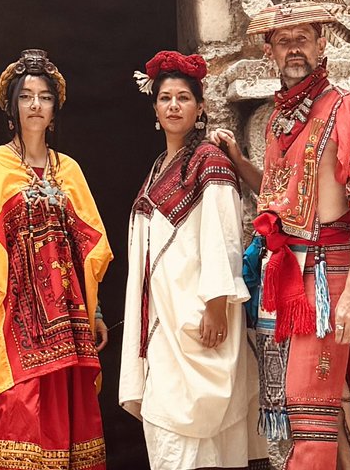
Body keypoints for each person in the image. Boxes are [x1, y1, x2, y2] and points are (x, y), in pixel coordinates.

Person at [212, 0, 350, 469]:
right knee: (331, 407)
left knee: (309, 410)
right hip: (287, 276)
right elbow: (282, 196)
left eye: (303, 38)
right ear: (269, 52)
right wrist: (238, 162)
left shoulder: (348, 109)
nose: (293, 48)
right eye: (283, 41)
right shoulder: (280, 120)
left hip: (327, 276)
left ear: (322, 45)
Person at [0, 49, 112, 470]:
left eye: (44, 97)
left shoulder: (69, 170)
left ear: (55, 110)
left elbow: (87, 250)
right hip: (14, 317)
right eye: (26, 97)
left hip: (68, 320)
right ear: (12, 108)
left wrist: (95, 311)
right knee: (17, 411)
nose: (35, 104)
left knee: (70, 417)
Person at [119, 49, 269, 470]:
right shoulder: (158, 167)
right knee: (167, 430)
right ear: (155, 108)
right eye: (165, 98)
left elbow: (224, 236)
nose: (173, 106)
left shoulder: (210, 161)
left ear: (200, 107)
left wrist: (217, 304)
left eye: (183, 98)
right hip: (165, 320)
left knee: (195, 434)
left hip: (198, 316)